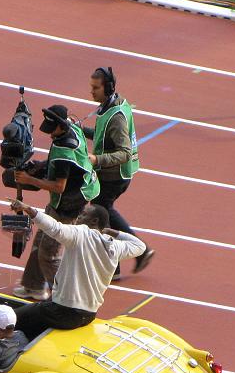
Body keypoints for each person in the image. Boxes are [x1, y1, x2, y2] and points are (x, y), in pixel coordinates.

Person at [8, 198, 146, 340]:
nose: (79, 216)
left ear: (94, 221)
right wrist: (112, 232)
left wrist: (28, 208)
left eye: (83, 215)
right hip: (88, 315)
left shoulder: (80, 234)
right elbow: (140, 246)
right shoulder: (115, 247)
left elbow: (54, 228)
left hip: (63, 312)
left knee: (7, 319)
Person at [11, 104, 100, 301]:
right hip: (76, 191)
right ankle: (33, 286)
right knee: (40, 240)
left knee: (49, 254)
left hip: (70, 203)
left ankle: (69, 296)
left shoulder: (64, 152)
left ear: (61, 126)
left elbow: (59, 186)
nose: (50, 134)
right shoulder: (72, 128)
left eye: (52, 129)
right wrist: (40, 166)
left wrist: (29, 180)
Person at [83, 67, 154, 279]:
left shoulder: (117, 117)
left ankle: (134, 254)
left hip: (115, 175)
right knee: (104, 212)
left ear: (109, 88)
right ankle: (124, 261)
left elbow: (123, 152)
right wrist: (78, 129)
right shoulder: (113, 105)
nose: (91, 92)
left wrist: (97, 159)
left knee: (102, 213)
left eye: (96, 88)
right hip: (114, 174)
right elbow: (102, 136)